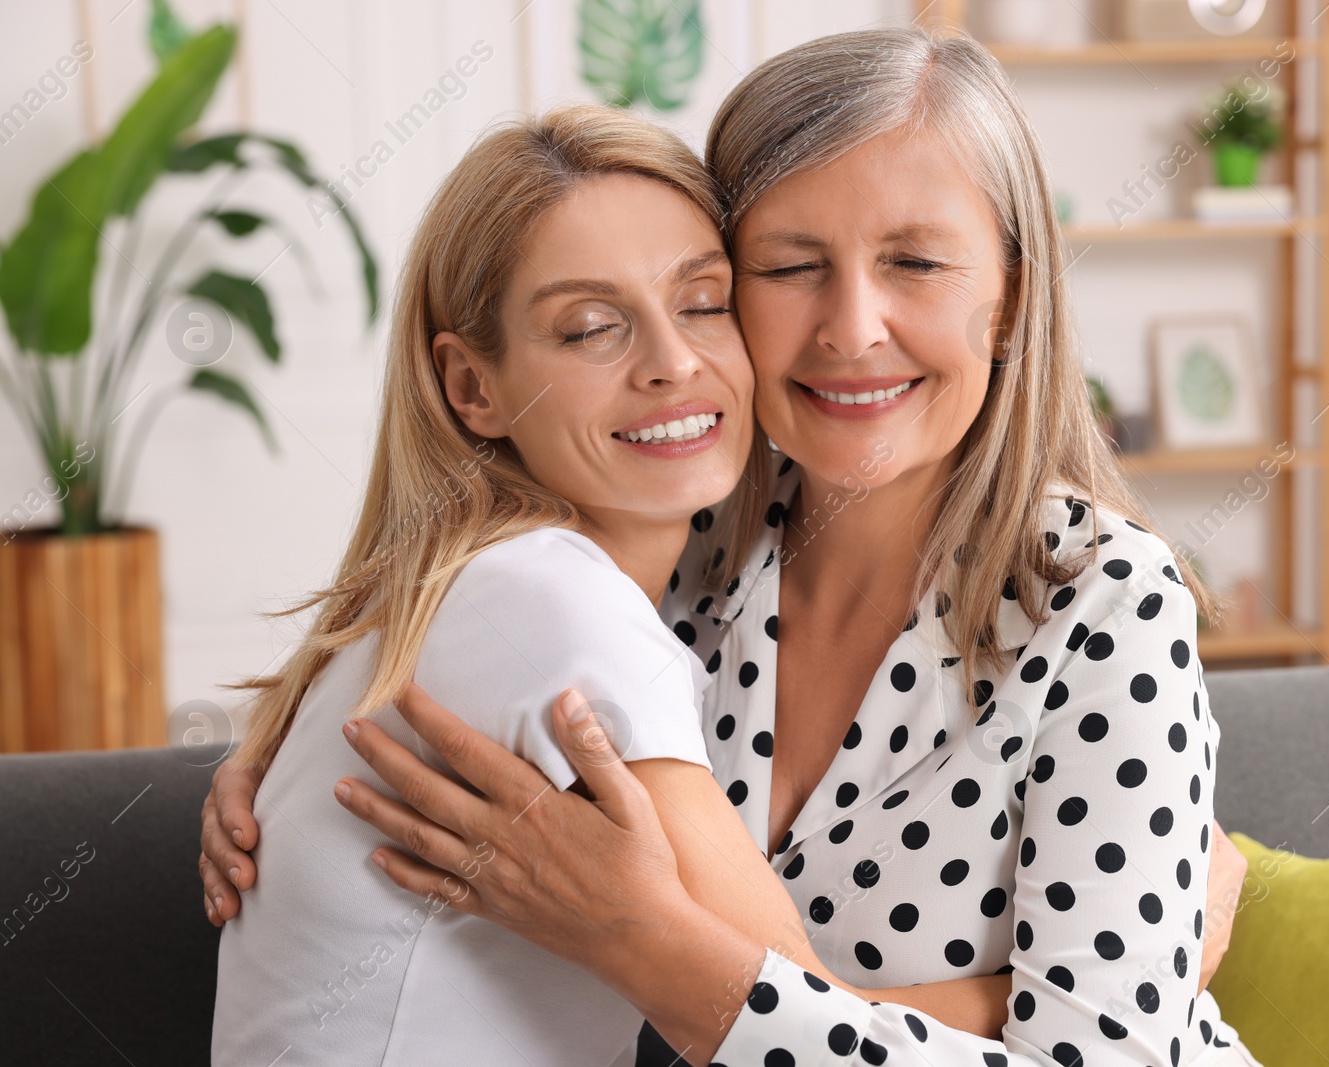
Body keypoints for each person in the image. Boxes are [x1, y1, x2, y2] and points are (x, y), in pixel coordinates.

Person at [203, 25, 1257, 1067]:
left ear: (1011, 298)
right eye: (790, 266)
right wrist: (277, 774)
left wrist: (641, 941)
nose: (851, 327)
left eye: (916, 261)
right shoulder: (670, 556)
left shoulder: (1102, 600)